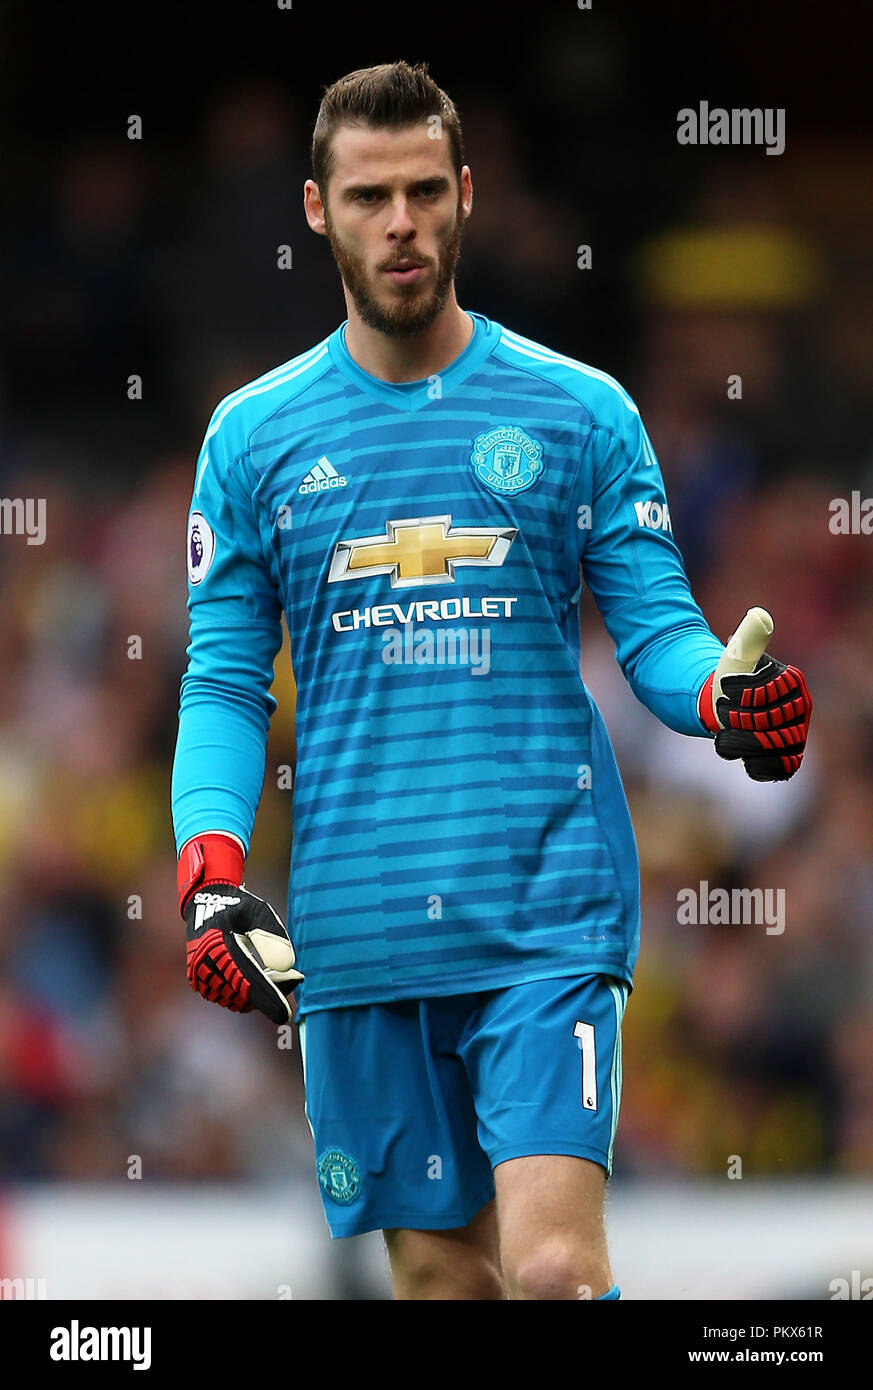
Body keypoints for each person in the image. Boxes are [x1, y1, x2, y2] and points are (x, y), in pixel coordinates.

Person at [171, 61, 812, 1300]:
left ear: (466, 195)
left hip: (544, 905)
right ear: (318, 209)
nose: (399, 222)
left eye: (422, 190)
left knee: (558, 1268)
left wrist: (728, 701)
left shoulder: (580, 412)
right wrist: (210, 875)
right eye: (368, 197)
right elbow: (225, 683)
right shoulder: (252, 437)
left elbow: (662, 638)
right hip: (360, 922)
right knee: (444, 1284)